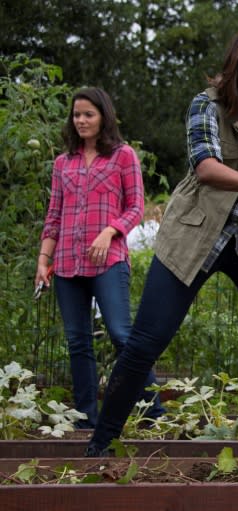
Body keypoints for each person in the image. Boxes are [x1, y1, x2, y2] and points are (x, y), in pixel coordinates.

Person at [85, 26, 238, 456]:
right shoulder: (207, 105)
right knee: (146, 341)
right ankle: (101, 443)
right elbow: (206, 167)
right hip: (196, 236)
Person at [35, 87, 165, 429]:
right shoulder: (63, 163)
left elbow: (136, 207)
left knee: (122, 334)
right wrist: (42, 260)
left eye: (88, 114)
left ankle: (154, 410)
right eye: (76, 115)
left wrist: (110, 232)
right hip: (66, 263)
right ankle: (85, 419)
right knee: (78, 342)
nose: (81, 120)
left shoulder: (123, 156)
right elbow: (54, 216)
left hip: (108, 262)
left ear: (103, 116)